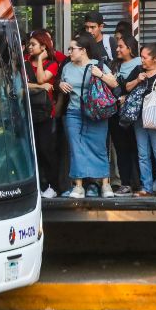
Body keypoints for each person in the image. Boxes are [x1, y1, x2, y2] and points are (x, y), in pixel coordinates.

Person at [58, 32, 119, 198]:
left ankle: (105, 184)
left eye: (72, 49)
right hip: (74, 111)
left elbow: (114, 83)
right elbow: (62, 82)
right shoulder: (66, 67)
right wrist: (61, 84)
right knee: (76, 148)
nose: (69, 52)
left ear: (83, 50)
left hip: (96, 112)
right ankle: (78, 186)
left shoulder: (97, 64)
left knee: (99, 146)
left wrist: (99, 74)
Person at [126, 44, 156, 197]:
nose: (142, 60)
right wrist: (137, 80)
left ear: (155, 58)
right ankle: (146, 187)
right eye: (141, 57)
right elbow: (126, 87)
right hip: (140, 117)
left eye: (145, 57)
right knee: (143, 153)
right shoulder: (138, 71)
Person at [26, 31, 60, 198]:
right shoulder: (24, 62)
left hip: (47, 113)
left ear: (44, 46)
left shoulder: (52, 64)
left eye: (33, 44)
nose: (29, 47)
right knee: (34, 151)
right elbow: (20, 86)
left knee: (47, 149)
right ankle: (40, 185)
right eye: (29, 44)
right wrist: (40, 87)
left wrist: (39, 60)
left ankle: (53, 186)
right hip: (28, 111)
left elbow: (40, 78)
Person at [109, 34, 142, 196]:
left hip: (135, 114)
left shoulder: (141, 64)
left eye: (121, 46)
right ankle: (125, 183)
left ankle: (141, 183)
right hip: (116, 114)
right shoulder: (114, 65)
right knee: (121, 149)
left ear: (130, 48)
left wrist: (127, 97)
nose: (117, 49)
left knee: (138, 148)